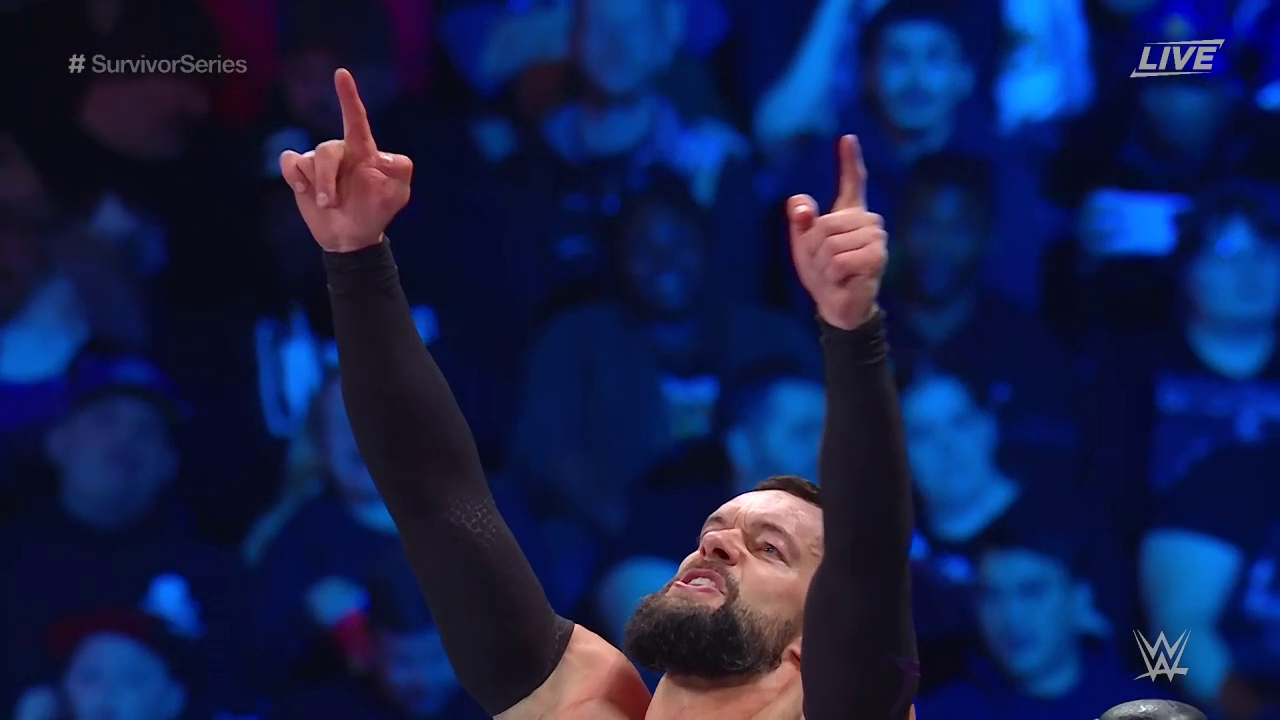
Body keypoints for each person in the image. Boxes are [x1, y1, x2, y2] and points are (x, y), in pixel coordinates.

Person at [279, 69, 916, 718]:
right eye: (713, 531)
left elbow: (874, 561)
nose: (714, 546)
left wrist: (853, 332)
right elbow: (436, 496)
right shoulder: (587, 702)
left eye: (770, 549)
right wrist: (356, 257)